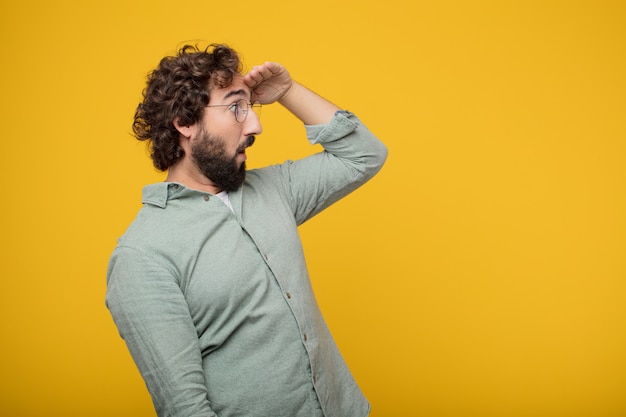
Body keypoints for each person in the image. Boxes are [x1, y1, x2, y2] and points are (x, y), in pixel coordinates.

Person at [106, 43, 387, 417]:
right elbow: (186, 409)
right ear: (185, 123)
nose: (255, 125)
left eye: (251, 107)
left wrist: (288, 92)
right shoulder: (142, 256)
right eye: (237, 107)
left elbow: (364, 155)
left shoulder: (274, 190)